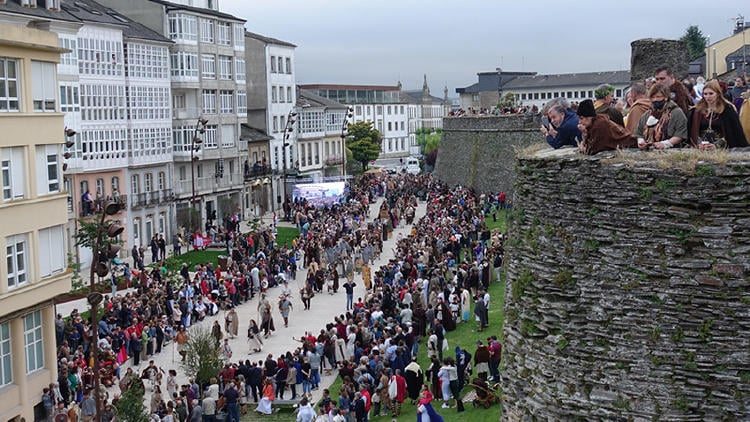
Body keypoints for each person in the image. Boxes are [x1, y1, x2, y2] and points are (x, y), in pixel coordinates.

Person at [687, 79, 749, 149]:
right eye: (705, 94)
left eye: (711, 93)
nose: (708, 97)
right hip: (701, 149)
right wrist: (699, 144)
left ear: (718, 94)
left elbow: (734, 133)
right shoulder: (697, 111)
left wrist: (717, 145)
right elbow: (693, 132)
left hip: (723, 150)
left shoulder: (727, 109)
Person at [635, 84, 688, 150]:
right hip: (648, 152)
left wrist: (665, 144)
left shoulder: (677, 113)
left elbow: (680, 134)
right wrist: (641, 141)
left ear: (666, 97)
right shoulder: (647, 114)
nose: (655, 100)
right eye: (653, 97)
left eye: (658, 97)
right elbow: (639, 133)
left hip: (672, 151)